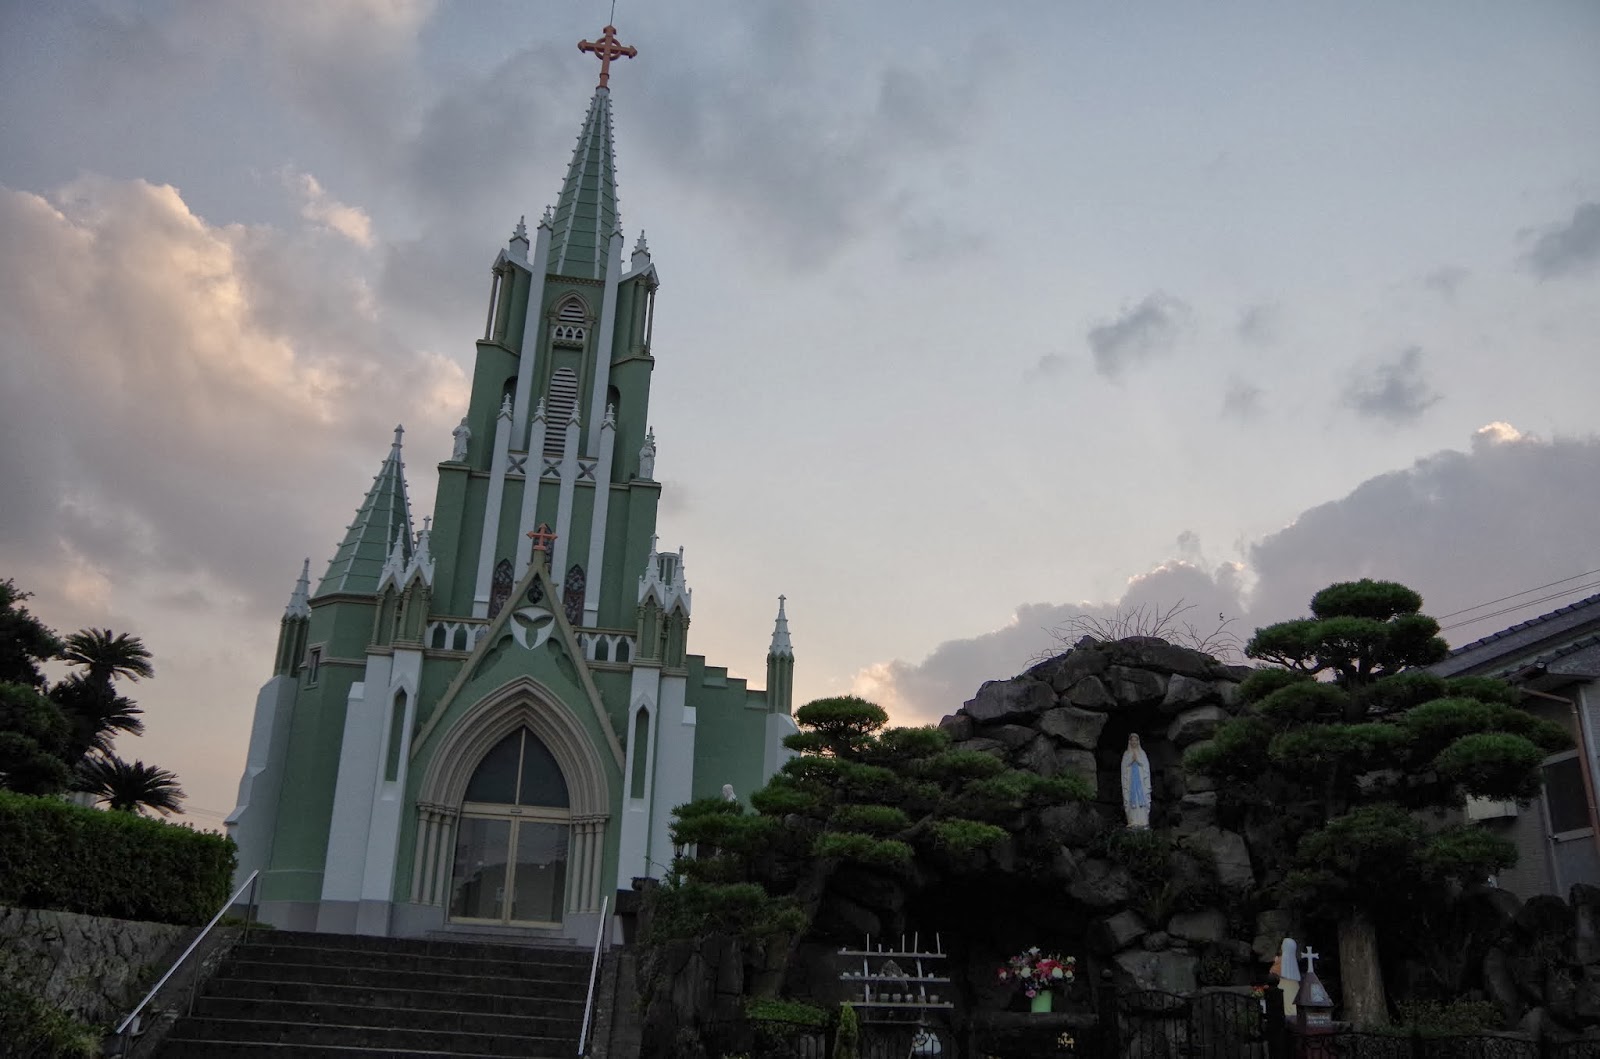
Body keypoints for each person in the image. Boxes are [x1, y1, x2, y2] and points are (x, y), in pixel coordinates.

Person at [1121, 733, 1151, 828]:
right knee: (1131, 798)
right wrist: (1131, 760)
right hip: (1130, 781)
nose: (1134, 742)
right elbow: (1124, 767)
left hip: (1141, 781)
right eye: (1132, 740)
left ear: (1138, 741)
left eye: (1135, 740)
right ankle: (1132, 821)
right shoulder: (1126, 754)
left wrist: (1137, 760)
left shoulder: (1142, 753)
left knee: (1142, 798)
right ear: (1129, 741)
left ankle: (1143, 820)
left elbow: (1146, 766)